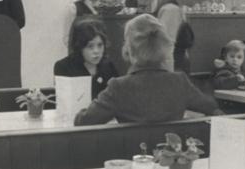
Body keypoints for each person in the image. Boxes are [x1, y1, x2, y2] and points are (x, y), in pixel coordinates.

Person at [74, 14, 223, 125]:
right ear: (164, 47)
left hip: (132, 155)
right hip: (170, 154)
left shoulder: (118, 87)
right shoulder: (180, 82)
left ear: (128, 49)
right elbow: (212, 108)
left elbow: (83, 121)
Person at [155, 0, 218, 74]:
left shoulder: (176, 6)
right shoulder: (172, 10)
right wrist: (170, 78)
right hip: (172, 73)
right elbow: (164, 50)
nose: (203, 2)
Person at [53, 17, 119, 99]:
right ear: (80, 47)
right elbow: (64, 100)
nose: (96, 51)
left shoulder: (109, 66)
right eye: (90, 46)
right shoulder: (64, 66)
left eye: (100, 45)